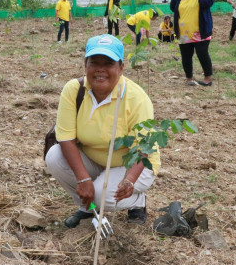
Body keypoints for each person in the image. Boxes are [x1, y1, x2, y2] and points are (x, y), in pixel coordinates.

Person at [45, 34, 161, 228]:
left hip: (132, 164)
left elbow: (144, 149)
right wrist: (83, 179)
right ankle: (89, 207)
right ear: (85, 65)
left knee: (101, 195)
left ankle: (137, 201)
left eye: (108, 63)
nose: (100, 69)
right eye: (94, 62)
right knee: (54, 157)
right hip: (95, 160)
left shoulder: (136, 99)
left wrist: (130, 181)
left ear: (121, 67)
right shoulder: (74, 90)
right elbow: (65, 138)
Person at [170, 0, 214, 87]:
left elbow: (207, 3)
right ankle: (189, 78)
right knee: (186, 56)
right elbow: (173, 7)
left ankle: (208, 78)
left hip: (200, 32)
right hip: (183, 33)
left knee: (202, 54)